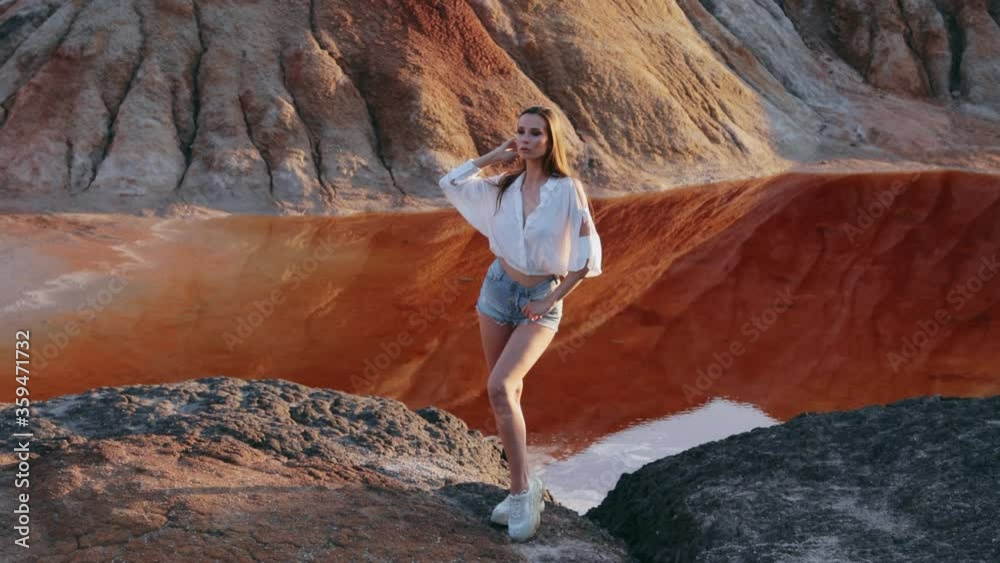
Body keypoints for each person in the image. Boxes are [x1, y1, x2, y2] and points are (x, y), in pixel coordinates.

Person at [437, 105, 603, 542]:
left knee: (500, 387)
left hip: (541, 299)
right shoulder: (504, 185)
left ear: (551, 141)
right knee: (507, 394)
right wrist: (494, 155)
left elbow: (586, 257)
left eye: (535, 134)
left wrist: (550, 298)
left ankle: (520, 492)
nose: (526, 140)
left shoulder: (568, 190)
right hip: (496, 291)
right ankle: (524, 486)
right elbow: (450, 183)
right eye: (521, 132)